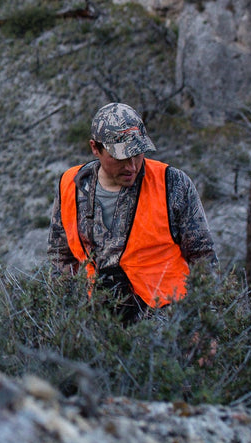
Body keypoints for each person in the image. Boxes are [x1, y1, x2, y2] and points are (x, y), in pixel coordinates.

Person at [47, 102, 217, 322]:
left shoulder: (173, 184)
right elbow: (61, 259)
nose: (132, 166)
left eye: (137, 154)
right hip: (97, 322)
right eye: (120, 157)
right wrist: (63, 319)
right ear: (95, 148)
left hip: (167, 322)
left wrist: (207, 325)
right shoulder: (70, 185)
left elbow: (203, 258)